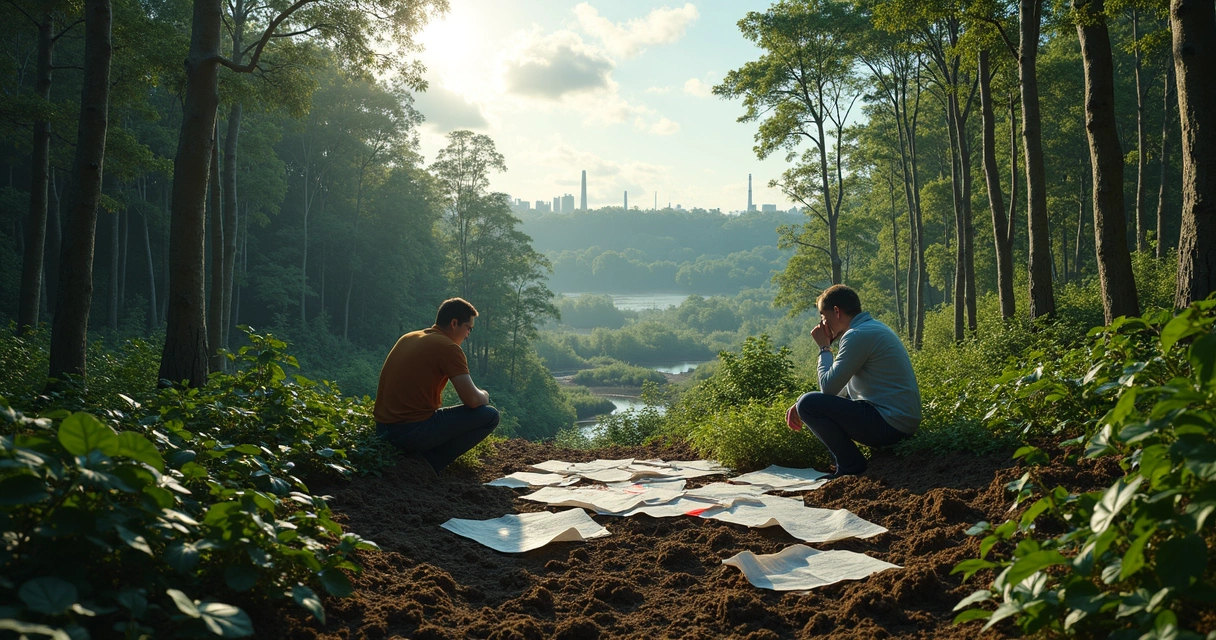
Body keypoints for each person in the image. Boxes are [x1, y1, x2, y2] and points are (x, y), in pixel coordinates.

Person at [785, 284, 921, 478]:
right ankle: (848, 464)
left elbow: (828, 388)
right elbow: (842, 391)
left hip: (890, 424)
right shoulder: (871, 328)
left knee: (809, 403)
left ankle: (851, 466)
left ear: (837, 312)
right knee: (806, 402)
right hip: (899, 421)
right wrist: (799, 404)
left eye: (823, 317)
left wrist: (824, 348)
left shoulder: (857, 335)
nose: (823, 324)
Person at [374, 298, 500, 474]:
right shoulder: (448, 348)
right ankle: (427, 464)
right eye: (468, 328)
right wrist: (485, 395)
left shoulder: (409, 337)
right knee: (489, 415)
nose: (468, 335)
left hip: (381, 429)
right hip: (409, 432)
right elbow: (472, 400)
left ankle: (417, 458)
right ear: (454, 323)